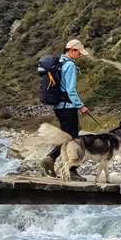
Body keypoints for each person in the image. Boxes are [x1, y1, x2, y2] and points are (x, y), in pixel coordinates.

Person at [42, 39, 90, 179]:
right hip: (67, 107)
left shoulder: (60, 64)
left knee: (67, 136)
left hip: (59, 106)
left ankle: (55, 161)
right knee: (74, 138)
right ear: (72, 50)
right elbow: (71, 90)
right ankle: (69, 168)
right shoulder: (69, 65)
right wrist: (81, 106)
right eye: (79, 53)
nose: (80, 55)